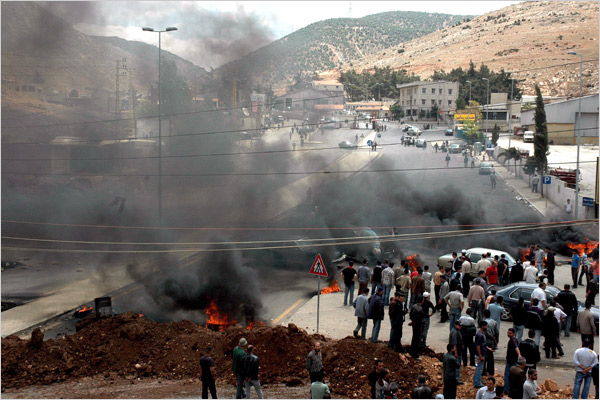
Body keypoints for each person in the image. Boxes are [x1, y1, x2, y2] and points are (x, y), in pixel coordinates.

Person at [504, 327, 523, 395]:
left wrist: (519, 355)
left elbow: (516, 347)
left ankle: (507, 389)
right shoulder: (513, 339)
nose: (508, 334)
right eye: (508, 332)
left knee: (507, 375)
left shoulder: (513, 340)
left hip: (511, 361)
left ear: (514, 333)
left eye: (510, 333)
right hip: (512, 360)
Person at [473, 320, 489, 388]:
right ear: (483, 327)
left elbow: (483, 345)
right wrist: (480, 355)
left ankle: (476, 380)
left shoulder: (482, 334)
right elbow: (478, 346)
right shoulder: (479, 335)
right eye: (486, 326)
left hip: (482, 353)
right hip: (481, 354)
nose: (487, 327)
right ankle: (477, 382)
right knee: (479, 368)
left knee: (479, 368)